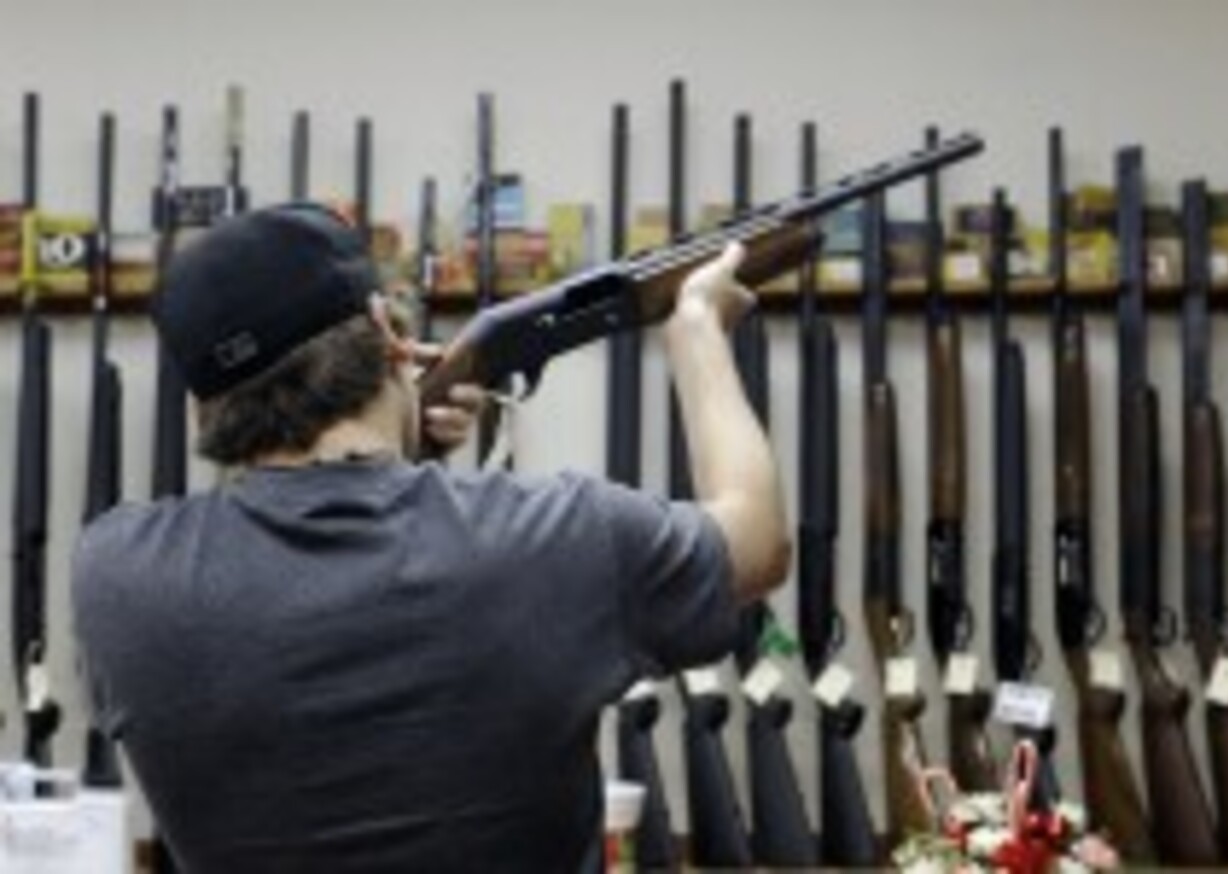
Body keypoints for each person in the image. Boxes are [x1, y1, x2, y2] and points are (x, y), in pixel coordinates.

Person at [72, 202, 790, 873]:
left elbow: (319, 573)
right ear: (387, 333)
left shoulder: (117, 579)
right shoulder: (557, 538)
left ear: (205, 411)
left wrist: (402, 450)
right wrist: (698, 331)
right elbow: (758, 540)